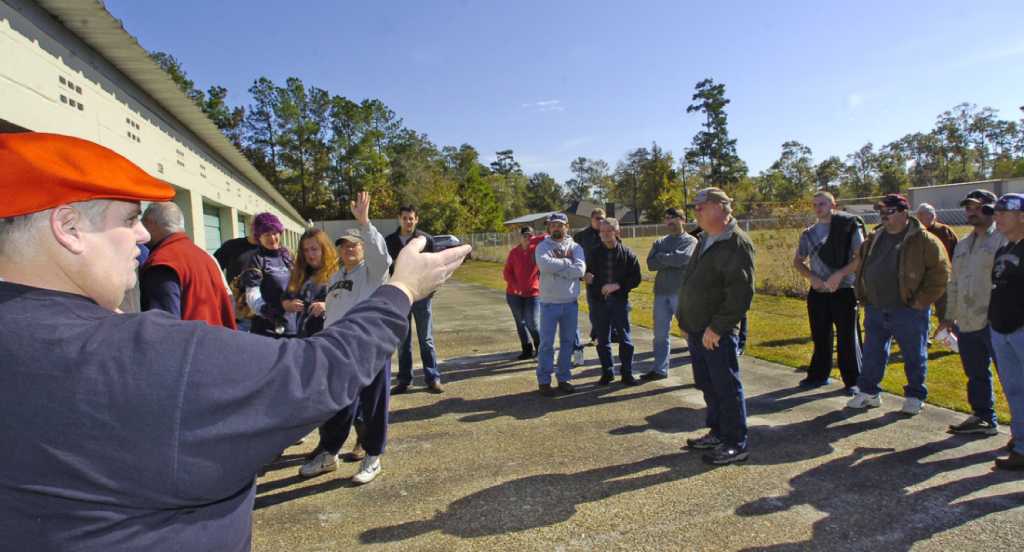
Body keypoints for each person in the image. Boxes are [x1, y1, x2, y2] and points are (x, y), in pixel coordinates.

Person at [0, 132, 472, 549]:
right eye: (128, 219)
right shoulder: (138, 353)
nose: (144, 234)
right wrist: (403, 289)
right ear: (69, 228)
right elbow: (314, 374)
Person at [300, 192, 394, 484]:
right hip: (339, 350)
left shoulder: (373, 271)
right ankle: (329, 454)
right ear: (338, 250)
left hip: (369, 347)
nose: (349, 248)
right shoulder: (336, 275)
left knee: (374, 403)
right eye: (344, 244)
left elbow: (382, 254)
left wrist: (364, 222)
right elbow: (339, 307)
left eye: (355, 244)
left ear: (363, 247)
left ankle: (373, 457)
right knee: (337, 403)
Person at [847, 194, 950, 414]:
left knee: (914, 354)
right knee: (873, 353)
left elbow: (941, 274)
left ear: (904, 212)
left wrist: (921, 301)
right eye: (881, 212)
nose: (883, 216)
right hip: (876, 307)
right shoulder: (874, 237)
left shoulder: (924, 240)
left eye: (889, 211)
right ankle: (869, 392)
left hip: (908, 310)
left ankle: (914, 395)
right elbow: (863, 264)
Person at [676, 188, 755, 465]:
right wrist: (684, 319)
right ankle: (718, 432)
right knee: (707, 383)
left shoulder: (736, 243)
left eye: (701, 206)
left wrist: (718, 328)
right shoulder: (705, 239)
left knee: (726, 386)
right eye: (695, 207)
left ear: (721, 207)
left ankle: (735, 442)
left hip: (716, 331)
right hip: (697, 327)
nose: (696, 211)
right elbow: (691, 281)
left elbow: (740, 294)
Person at [934, 190, 1005, 437]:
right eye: (968, 208)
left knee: (1012, 376)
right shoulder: (963, 244)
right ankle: (983, 417)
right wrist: (948, 316)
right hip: (967, 319)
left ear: (991, 209)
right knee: (975, 372)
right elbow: (954, 282)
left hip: (998, 319)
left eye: (976, 207)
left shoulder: (1005, 240)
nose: (971, 212)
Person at [792, 191, 864, 394]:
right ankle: (818, 376)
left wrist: (839, 275)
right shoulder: (808, 233)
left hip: (844, 291)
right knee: (820, 337)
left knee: (847, 339)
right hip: (818, 294)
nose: (818, 208)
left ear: (834, 205)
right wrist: (812, 277)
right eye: (815, 204)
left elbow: (860, 258)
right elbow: (798, 262)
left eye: (823, 203)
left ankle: (853, 381)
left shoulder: (848, 228)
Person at [139, 202, 237, 328]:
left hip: (191, 345)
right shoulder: (205, 257)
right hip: (214, 341)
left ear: (150, 222)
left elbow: (164, 328)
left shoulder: (162, 262)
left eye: (142, 223)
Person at [386, 205, 443, 394]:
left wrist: (431, 290)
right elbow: (386, 270)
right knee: (403, 340)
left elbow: (437, 267)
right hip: (400, 298)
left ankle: (432, 377)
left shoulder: (426, 240)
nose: (408, 221)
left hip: (422, 297)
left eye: (411, 218)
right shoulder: (390, 241)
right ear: (399, 219)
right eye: (405, 218)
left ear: (416, 219)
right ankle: (404, 380)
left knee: (426, 339)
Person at [988, 192, 1024, 470]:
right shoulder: (1004, 249)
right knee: (1014, 390)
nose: (996, 217)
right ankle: (1021, 443)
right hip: (1001, 329)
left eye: (1003, 212)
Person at [585, 217, 642, 385]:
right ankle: (607, 373)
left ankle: (627, 373)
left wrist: (617, 286)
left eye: (609, 231)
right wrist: (596, 284)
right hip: (599, 303)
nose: (605, 234)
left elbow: (636, 278)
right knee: (603, 340)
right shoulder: (594, 254)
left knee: (625, 339)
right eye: (602, 231)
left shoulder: (628, 254)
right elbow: (588, 276)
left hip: (620, 302)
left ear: (617, 232)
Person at [535, 212, 587, 396]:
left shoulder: (576, 247)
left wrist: (559, 268)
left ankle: (564, 378)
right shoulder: (542, 246)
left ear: (567, 226)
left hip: (570, 303)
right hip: (549, 303)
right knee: (546, 344)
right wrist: (567, 264)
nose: (556, 228)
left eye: (560, 225)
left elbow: (580, 269)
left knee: (567, 343)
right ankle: (544, 381)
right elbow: (544, 266)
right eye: (553, 225)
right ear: (549, 228)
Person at [645, 207, 697, 380]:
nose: (670, 221)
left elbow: (683, 258)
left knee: (689, 332)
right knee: (660, 335)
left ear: (682, 220)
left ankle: (702, 370)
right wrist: (669, 258)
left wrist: (662, 258)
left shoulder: (690, 241)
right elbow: (650, 264)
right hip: (661, 293)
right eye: (667, 218)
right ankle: (660, 369)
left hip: (681, 293)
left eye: (673, 218)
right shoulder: (660, 241)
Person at [242, 212, 296, 338]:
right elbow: (252, 296)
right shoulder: (256, 259)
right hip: (268, 328)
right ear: (259, 237)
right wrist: (272, 313)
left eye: (275, 233)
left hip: (292, 325)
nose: (272, 238)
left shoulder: (287, 255)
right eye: (266, 234)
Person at [503, 226, 545, 359]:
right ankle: (526, 349)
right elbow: (507, 272)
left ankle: (540, 347)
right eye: (524, 235)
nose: (527, 238)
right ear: (519, 237)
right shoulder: (514, 253)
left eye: (530, 235)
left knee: (532, 321)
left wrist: (533, 240)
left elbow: (547, 237)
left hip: (533, 293)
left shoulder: (537, 250)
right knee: (520, 322)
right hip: (514, 294)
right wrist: (515, 286)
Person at [214, 218, 259, 330]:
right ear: (249, 226)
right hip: (237, 314)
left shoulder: (270, 249)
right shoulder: (232, 246)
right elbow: (213, 268)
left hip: (262, 315)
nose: (257, 230)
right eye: (254, 226)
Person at [916, 202, 958, 323]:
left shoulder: (944, 231)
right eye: (922, 215)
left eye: (930, 215)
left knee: (944, 308)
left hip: (942, 276)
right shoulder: (915, 233)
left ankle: (948, 332)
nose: (928, 217)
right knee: (921, 308)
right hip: (921, 278)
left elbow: (955, 251)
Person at [573, 208, 607, 358]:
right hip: (591, 278)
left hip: (608, 277)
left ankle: (599, 334)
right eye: (597, 219)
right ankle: (599, 333)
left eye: (602, 218)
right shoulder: (581, 236)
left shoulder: (608, 232)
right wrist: (582, 275)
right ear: (591, 220)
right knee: (594, 309)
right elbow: (574, 258)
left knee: (608, 309)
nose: (600, 221)